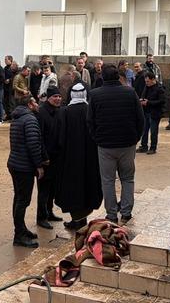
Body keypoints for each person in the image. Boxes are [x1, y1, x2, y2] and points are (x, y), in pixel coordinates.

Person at [87, 64, 144, 225]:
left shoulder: (95, 95)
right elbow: (140, 119)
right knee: (127, 178)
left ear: (102, 77)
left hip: (105, 144)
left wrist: (97, 138)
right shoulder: (129, 92)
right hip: (127, 143)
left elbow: (90, 121)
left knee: (108, 180)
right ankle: (126, 212)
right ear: (119, 76)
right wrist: (135, 138)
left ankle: (111, 214)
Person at [55, 83, 102, 230]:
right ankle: (81, 219)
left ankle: (77, 219)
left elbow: (60, 138)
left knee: (73, 188)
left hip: (70, 159)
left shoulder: (65, 112)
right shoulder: (90, 109)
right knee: (88, 185)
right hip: (89, 157)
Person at [7, 97, 45, 248]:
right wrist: (39, 165)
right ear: (29, 105)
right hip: (24, 167)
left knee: (18, 198)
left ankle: (21, 229)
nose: (37, 104)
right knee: (23, 200)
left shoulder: (17, 118)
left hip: (15, 164)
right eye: (34, 102)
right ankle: (19, 236)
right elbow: (33, 144)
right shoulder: (29, 119)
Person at [36, 87, 64, 228]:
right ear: (48, 98)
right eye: (55, 97)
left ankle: (49, 212)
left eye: (59, 96)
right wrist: (43, 157)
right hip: (45, 158)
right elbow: (38, 137)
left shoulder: (60, 111)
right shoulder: (41, 112)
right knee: (44, 189)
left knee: (52, 187)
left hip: (57, 157)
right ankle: (41, 217)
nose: (58, 99)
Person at [137, 71, 165, 155]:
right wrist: (141, 100)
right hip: (146, 112)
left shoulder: (160, 89)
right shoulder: (147, 86)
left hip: (155, 113)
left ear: (153, 79)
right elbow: (143, 95)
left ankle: (153, 147)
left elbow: (162, 101)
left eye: (148, 81)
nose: (146, 83)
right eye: (145, 81)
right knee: (144, 130)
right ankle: (144, 146)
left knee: (153, 131)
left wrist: (148, 102)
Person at [3, 56, 16, 122]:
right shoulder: (5, 68)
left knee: (12, 103)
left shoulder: (13, 68)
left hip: (11, 88)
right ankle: (8, 115)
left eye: (6, 59)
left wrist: (9, 80)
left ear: (10, 60)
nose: (5, 61)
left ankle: (13, 117)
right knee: (6, 102)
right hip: (5, 88)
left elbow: (15, 77)